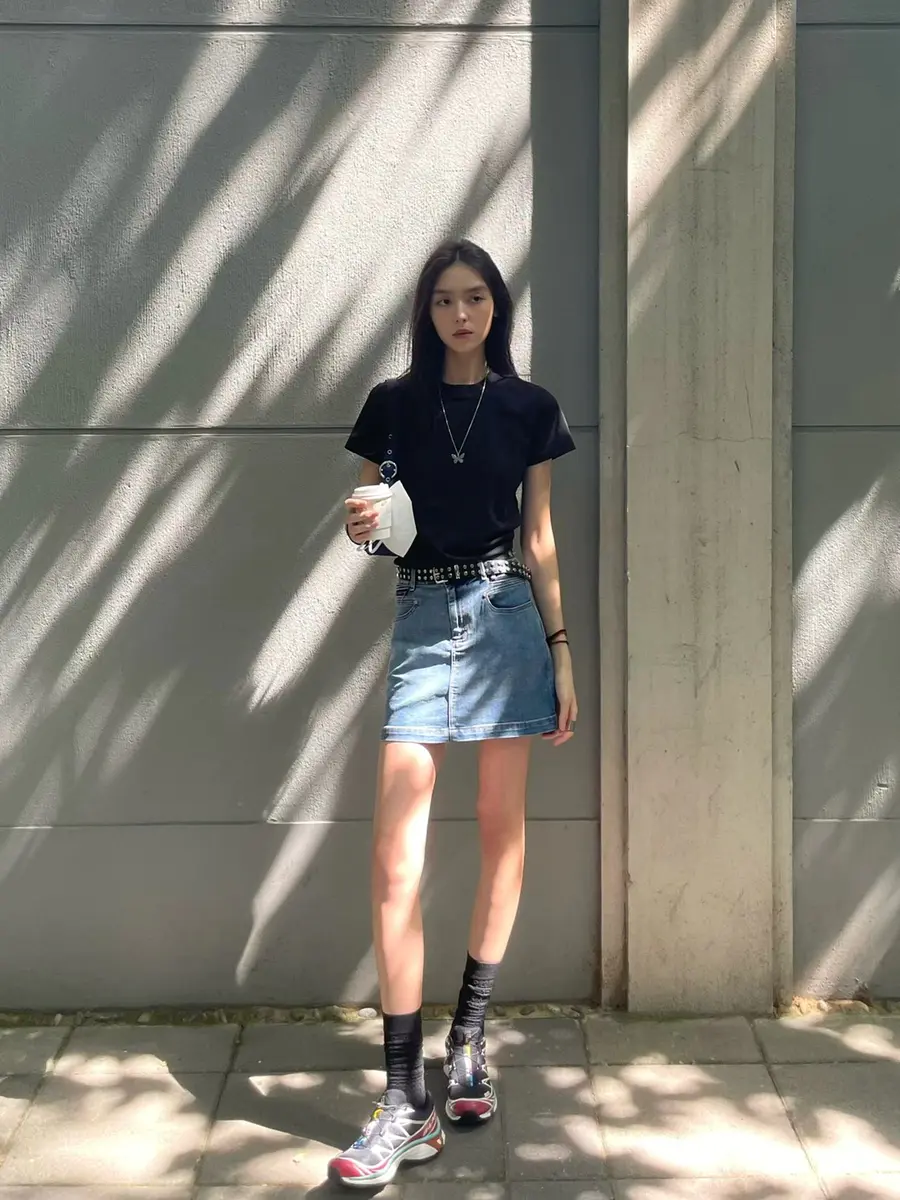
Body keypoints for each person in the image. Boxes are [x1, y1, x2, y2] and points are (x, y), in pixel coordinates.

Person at [328, 239, 577, 1188]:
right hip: (423, 619)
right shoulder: (393, 404)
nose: (460, 314)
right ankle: (405, 1100)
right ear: (425, 311)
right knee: (394, 860)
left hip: (507, 620)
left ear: (496, 307)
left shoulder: (529, 407)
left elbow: (539, 536)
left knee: (500, 829)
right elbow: (366, 520)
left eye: (475, 298)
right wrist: (359, 525)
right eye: (443, 300)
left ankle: (468, 1037)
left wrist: (561, 652)